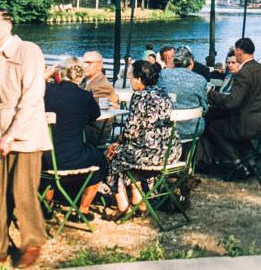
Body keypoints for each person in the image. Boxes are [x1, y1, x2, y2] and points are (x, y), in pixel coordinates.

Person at [0, 9, 49, 269]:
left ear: (7, 26)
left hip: (25, 135)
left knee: (23, 192)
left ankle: (32, 244)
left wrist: (12, 135)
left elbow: (32, 96)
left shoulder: (28, 51)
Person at [103, 60, 173, 219]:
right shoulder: (162, 91)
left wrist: (117, 142)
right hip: (169, 150)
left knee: (114, 157)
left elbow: (130, 130)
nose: (129, 82)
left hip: (151, 152)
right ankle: (139, 200)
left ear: (139, 79)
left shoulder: (140, 96)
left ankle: (123, 207)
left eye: (130, 78)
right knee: (129, 155)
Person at [200, 38, 261, 179]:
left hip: (246, 124)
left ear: (240, 51)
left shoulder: (244, 72)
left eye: (235, 52)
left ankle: (236, 162)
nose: (235, 55)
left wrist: (210, 94)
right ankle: (250, 161)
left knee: (212, 127)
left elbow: (231, 102)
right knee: (227, 123)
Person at [42, 58, 108, 218]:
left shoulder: (46, 91)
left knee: (50, 170)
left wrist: (43, 79)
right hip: (73, 156)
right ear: (80, 76)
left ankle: (46, 205)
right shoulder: (85, 96)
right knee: (101, 159)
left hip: (43, 156)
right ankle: (82, 209)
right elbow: (96, 116)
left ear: (60, 73)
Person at [158, 47, 209, 140]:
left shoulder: (161, 75)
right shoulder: (200, 80)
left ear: (174, 61)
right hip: (193, 130)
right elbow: (205, 108)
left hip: (166, 129)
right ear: (191, 61)